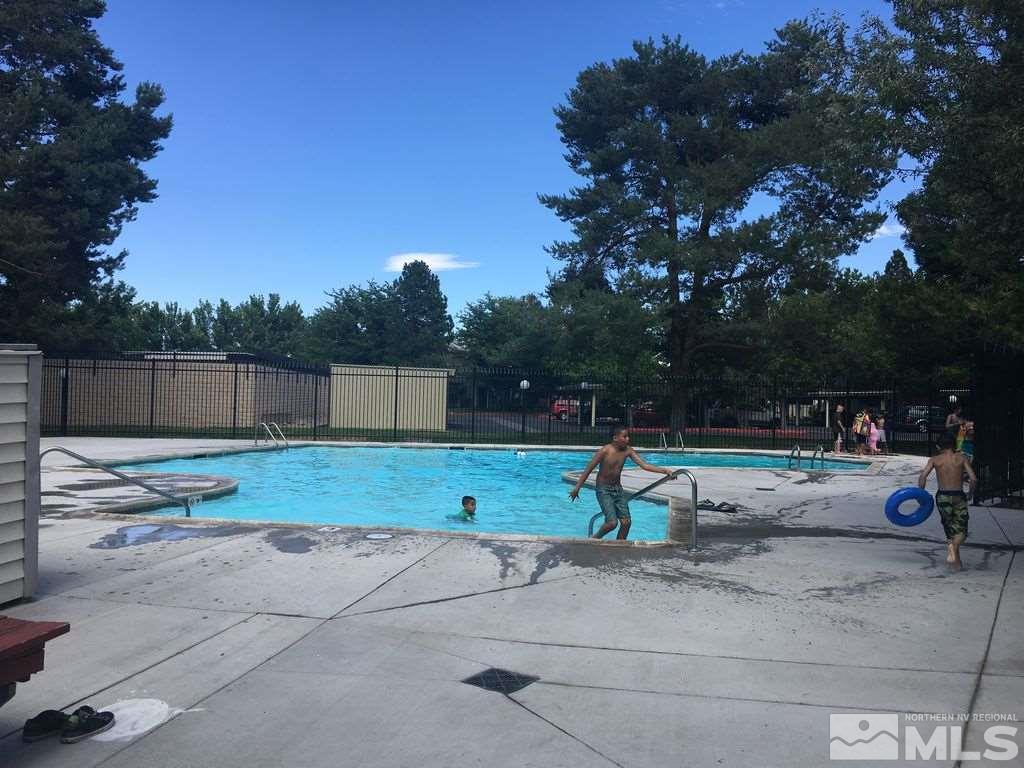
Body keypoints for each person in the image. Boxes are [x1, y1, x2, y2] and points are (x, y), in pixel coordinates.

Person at [568, 426, 673, 540]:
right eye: (624, 436)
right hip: (604, 490)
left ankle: (620, 546)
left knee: (626, 522)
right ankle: (594, 539)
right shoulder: (605, 450)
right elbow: (588, 469)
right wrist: (577, 488)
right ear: (615, 438)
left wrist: (664, 471)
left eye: (628, 436)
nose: (628, 439)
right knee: (612, 523)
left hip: (618, 489)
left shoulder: (628, 450)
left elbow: (644, 465)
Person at [918, 433, 977, 570]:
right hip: (958, 495)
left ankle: (955, 556)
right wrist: (970, 493)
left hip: (942, 496)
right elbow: (973, 479)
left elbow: (922, 477)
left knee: (949, 527)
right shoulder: (961, 458)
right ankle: (956, 555)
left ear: (939, 446)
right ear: (954, 445)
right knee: (961, 528)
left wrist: (921, 494)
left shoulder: (935, 459)